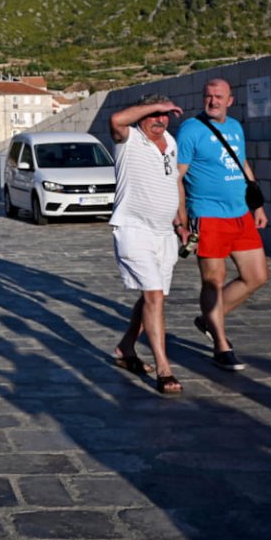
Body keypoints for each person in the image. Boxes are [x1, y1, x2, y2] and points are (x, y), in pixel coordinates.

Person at [178, 78, 269, 372]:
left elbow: (243, 165)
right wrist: (181, 220)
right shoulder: (191, 130)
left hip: (240, 213)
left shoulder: (235, 127)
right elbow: (177, 176)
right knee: (213, 280)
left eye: (219, 97)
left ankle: (208, 319)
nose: (213, 101)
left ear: (230, 101)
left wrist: (257, 205)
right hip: (208, 214)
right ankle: (221, 344)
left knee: (256, 276)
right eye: (208, 96)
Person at [108, 94, 188, 394]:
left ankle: (126, 347)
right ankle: (164, 369)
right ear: (141, 115)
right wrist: (157, 106)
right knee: (154, 295)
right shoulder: (129, 139)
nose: (160, 120)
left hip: (164, 234)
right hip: (134, 230)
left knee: (153, 297)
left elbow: (174, 182)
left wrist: (181, 223)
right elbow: (116, 120)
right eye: (155, 114)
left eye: (165, 115)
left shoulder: (171, 142)